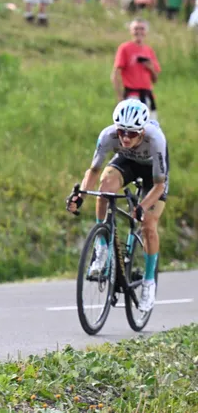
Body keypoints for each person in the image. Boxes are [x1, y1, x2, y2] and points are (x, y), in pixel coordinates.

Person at [66, 99, 168, 312]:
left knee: (149, 224)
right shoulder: (108, 136)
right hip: (126, 163)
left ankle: (149, 282)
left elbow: (159, 186)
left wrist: (142, 206)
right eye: (122, 131)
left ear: (142, 131)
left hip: (153, 174)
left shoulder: (156, 140)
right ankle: (102, 248)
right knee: (104, 188)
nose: (125, 137)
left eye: (131, 134)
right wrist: (81, 196)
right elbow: (93, 171)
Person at [111, 18, 161, 121]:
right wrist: (120, 97)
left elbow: (155, 79)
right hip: (132, 96)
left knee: (150, 130)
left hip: (147, 96)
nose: (139, 31)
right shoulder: (125, 48)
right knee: (133, 129)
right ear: (131, 31)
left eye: (142, 28)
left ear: (146, 32)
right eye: (136, 28)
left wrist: (151, 68)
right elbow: (116, 73)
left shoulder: (149, 50)